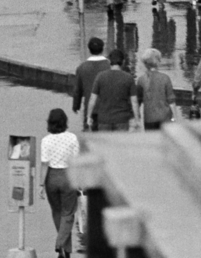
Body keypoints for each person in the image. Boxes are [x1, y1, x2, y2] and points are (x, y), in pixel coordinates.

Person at [39, 106, 80, 258]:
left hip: (52, 178)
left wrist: (41, 185)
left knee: (57, 212)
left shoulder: (46, 141)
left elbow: (44, 164)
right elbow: (76, 161)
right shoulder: (72, 138)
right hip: (68, 176)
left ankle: (65, 252)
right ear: (65, 122)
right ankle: (60, 243)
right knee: (68, 214)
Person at [87, 49, 139, 132]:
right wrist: (137, 119)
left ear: (109, 61)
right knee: (120, 145)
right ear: (123, 61)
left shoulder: (100, 76)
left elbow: (92, 99)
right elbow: (134, 102)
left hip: (104, 119)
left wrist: (89, 116)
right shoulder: (129, 78)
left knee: (104, 144)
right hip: (122, 119)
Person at [71, 36, 110, 118]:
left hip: (89, 110)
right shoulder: (109, 66)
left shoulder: (82, 67)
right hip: (108, 110)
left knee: (88, 129)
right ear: (102, 49)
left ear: (89, 50)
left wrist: (76, 106)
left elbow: (77, 90)